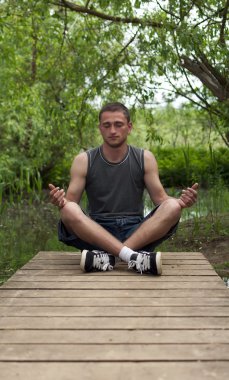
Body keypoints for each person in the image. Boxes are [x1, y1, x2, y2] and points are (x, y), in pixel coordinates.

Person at [49, 102, 198, 275]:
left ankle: (109, 256)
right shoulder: (83, 160)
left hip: (137, 231)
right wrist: (60, 202)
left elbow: (161, 200)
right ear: (100, 128)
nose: (113, 130)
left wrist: (181, 202)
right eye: (107, 125)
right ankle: (131, 257)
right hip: (96, 231)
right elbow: (71, 203)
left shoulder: (145, 158)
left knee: (173, 207)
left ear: (129, 127)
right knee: (68, 209)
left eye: (118, 124)